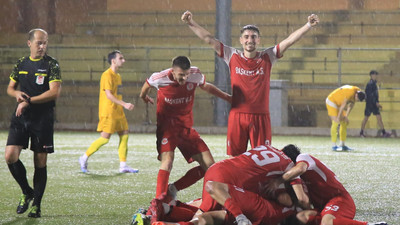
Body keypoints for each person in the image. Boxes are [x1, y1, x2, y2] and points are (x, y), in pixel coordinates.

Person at [181, 11, 319, 156]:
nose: (250, 40)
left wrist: (308, 25)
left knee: (261, 159)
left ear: (258, 40)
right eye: (246, 37)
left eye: (253, 37)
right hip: (237, 116)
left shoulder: (268, 56)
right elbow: (209, 39)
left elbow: (290, 41)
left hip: (261, 117)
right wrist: (191, 23)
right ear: (241, 40)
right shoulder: (232, 55)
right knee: (235, 159)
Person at [139, 56, 231, 200]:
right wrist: (143, 96)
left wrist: (227, 97)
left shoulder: (195, 74)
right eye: (181, 75)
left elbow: (205, 85)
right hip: (167, 129)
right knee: (168, 161)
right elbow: (146, 85)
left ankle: (173, 188)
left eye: (187, 74)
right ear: (173, 72)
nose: (185, 78)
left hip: (186, 129)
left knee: (211, 167)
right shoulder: (160, 78)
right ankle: (158, 202)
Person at [5, 28, 62, 218]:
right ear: (29, 43)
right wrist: (16, 94)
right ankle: (27, 191)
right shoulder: (21, 63)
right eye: (39, 42)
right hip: (21, 117)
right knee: (10, 156)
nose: (42, 46)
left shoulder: (51, 64)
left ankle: (37, 204)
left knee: (40, 162)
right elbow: (10, 88)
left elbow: (54, 92)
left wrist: (28, 101)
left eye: (45, 42)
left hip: (42, 118)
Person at [269, 144, 387, 225]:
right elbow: (304, 200)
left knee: (327, 221)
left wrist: (278, 181)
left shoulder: (303, 158)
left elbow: (301, 169)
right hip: (323, 207)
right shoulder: (294, 174)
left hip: (340, 200)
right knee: (300, 218)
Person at [79, 50, 138, 173]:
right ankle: (84, 158)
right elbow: (109, 95)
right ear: (113, 60)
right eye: (121, 58)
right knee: (105, 138)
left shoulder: (118, 76)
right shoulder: (107, 75)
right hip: (109, 111)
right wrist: (125, 104)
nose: (123, 60)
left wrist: (122, 106)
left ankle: (123, 165)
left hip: (118, 111)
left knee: (125, 135)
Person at [325, 85, 365, 151]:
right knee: (335, 122)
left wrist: (346, 116)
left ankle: (342, 144)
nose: (356, 101)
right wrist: (338, 117)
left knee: (344, 122)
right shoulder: (350, 93)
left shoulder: (357, 92)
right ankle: (334, 145)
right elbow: (343, 106)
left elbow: (351, 105)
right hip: (331, 101)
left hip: (338, 104)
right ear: (356, 95)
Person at [360, 70, 391, 138]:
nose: (375, 76)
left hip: (373, 104)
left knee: (379, 118)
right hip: (370, 104)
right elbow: (370, 95)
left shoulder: (374, 83)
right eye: (374, 75)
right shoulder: (370, 84)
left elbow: (374, 94)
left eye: (376, 75)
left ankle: (384, 132)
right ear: (371, 75)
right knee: (366, 118)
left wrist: (376, 102)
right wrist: (376, 103)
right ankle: (361, 132)